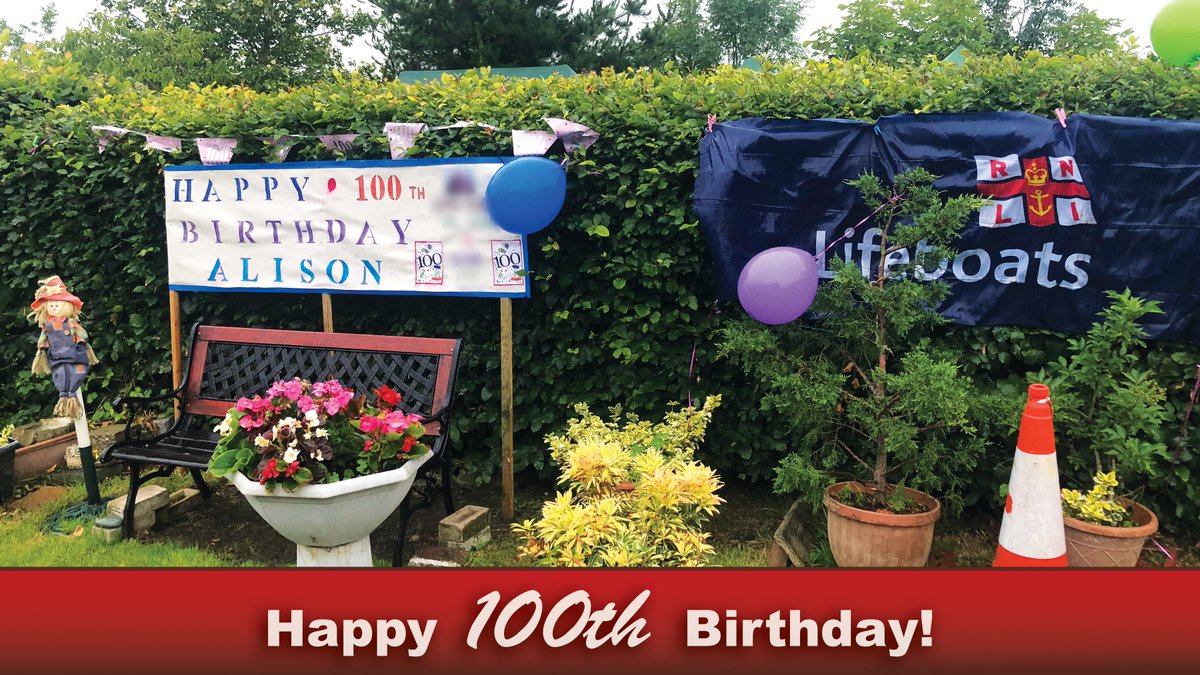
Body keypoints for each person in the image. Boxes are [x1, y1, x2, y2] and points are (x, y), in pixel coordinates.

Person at [28, 275, 98, 419]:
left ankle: (71, 395)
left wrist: (82, 341)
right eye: (51, 305)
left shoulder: (71, 323)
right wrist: (41, 349)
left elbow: (82, 334)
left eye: (57, 304)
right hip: (57, 357)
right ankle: (64, 395)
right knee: (60, 375)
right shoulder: (47, 326)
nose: (54, 307)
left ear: (66, 305)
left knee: (77, 372)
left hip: (74, 355)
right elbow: (43, 339)